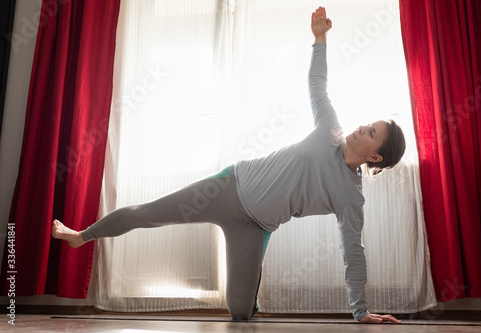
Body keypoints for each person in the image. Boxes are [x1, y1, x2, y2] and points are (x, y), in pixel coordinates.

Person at [52, 6, 404, 324]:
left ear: (375, 156)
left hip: (253, 227)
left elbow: (352, 253)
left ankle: (251, 282)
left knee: (239, 313)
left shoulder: (350, 199)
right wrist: (320, 39)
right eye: (368, 124)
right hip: (226, 189)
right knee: (148, 213)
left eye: (371, 132)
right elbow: (317, 85)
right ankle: (81, 236)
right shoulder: (331, 128)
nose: (362, 127)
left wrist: (361, 312)